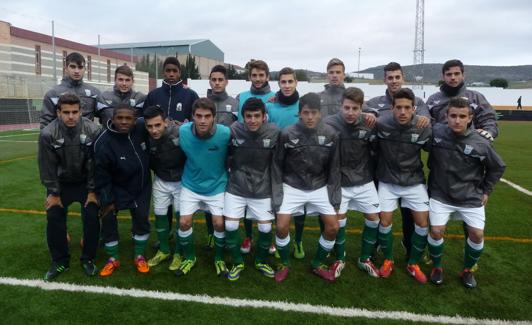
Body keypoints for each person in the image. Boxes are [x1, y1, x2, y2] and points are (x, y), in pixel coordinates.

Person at [427, 97, 505, 288]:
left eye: (462, 116)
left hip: (470, 196)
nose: (457, 120)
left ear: (470, 118)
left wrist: (486, 190)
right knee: (436, 231)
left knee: (477, 234)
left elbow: (497, 167)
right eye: (453, 116)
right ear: (446, 116)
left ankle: (468, 270)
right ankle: (437, 267)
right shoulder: (436, 132)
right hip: (440, 194)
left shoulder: (481, 142)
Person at [365, 62, 431, 259]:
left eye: (397, 77)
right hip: (381, 164)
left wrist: (422, 118)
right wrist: (369, 114)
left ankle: (410, 245)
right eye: (390, 77)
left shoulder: (417, 101)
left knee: (409, 214)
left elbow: (426, 122)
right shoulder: (376, 101)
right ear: (384, 79)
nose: (394, 81)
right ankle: (379, 244)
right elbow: (364, 112)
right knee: (381, 212)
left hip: (409, 167)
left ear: (403, 78)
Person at [274, 92, 341, 283]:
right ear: (299, 113)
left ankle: (318, 263)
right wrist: (277, 194)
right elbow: (277, 165)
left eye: (313, 113)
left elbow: (334, 168)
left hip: (319, 186)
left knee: (333, 227)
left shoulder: (331, 134)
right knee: (281, 226)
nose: (309, 117)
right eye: (305, 113)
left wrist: (335, 198)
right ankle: (284, 263)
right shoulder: (287, 133)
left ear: (320, 113)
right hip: (292, 185)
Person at [38, 93, 101, 280]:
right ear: (58, 112)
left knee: (91, 215)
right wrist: (54, 193)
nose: (71, 116)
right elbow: (46, 166)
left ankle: (88, 259)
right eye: (66, 112)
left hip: (84, 183)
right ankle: (60, 261)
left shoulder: (93, 130)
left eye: (75, 112)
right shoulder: (48, 134)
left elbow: (94, 163)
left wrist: (91, 191)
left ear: (81, 111)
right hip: (61, 184)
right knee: (54, 216)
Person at [143, 56, 200, 250]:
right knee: (162, 198)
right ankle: (165, 233)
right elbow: (146, 119)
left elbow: (196, 121)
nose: (171, 74)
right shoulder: (154, 94)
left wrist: (184, 125)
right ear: (164, 71)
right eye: (168, 70)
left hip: (179, 152)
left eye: (174, 71)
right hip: (158, 154)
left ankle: (180, 232)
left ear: (180, 73)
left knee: (178, 198)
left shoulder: (190, 95)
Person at [375, 88, 432, 283]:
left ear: (414, 109)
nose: (402, 112)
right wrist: (367, 114)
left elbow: (436, 148)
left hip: (414, 181)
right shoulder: (381, 124)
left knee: (423, 223)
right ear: (392, 108)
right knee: (384, 221)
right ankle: (388, 259)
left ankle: (413, 263)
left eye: (407, 108)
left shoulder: (423, 126)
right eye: (398, 107)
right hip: (388, 181)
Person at [324, 87, 381, 279]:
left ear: (361, 108)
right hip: (339, 182)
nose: (350, 112)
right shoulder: (329, 123)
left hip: (364, 180)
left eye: (355, 108)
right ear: (340, 106)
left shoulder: (369, 123)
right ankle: (340, 258)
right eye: (346, 107)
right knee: (339, 221)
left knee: (374, 219)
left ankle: (364, 258)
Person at [224, 97, 281, 281]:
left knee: (265, 228)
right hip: (237, 186)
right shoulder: (234, 130)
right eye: (248, 116)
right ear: (243, 117)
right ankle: (238, 261)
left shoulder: (274, 132)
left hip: (262, 188)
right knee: (230, 225)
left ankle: (260, 261)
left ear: (265, 116)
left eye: (257, 116)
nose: (253, 120)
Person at [176, 98, 231, 277]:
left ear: (214, 117)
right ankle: (190, 258)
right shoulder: (183, 131)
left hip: (216, 186)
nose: (202, 120)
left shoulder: (225, 133)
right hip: (190, 185)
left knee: (219, 223)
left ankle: (219, 258)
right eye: (198, 116)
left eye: (207, 116)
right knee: (184, 222)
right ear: (192, 116)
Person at [94, 104, 151, 277]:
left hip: (141, 186)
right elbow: (101, 176)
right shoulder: (103, 142)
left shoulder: (141, 127)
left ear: (135, 121)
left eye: (129, 118)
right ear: (112, 119)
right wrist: (107, 200)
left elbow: (159, 122)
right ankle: (113, 258)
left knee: (141, 218)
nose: (124, 122)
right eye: (120, 118)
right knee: (108, 218)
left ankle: (139, 255)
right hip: (115, 186)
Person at [265, 67, 306, 260]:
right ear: (278, 84)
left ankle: (298, 241)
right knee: (277, 200)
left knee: (299, 204)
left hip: (299, 160)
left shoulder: (303, 105)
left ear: (296, 82)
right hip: (275, 160)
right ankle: (276, 238)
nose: (287, 85)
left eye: (290, 81)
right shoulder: (270, 106)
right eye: (283, 82)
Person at [236, 60, 275, 254]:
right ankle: (248, 237)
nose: (258, 79)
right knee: (245, 196)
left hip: (269, 151)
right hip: (246, 152)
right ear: (249, 76)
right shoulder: (241, 97)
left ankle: (270, 239)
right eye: (254, 75)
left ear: (267, 76)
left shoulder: (276, 97)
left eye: (261, 75)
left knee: (269, 198)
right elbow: (239, 125)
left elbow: (272, 126)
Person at [142, 106, 187, 272]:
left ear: (166, 122)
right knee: (160, 214)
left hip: (182, 181)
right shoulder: (144, 136)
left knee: (181, 218)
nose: (154, 130)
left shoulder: (181, 132)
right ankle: (164, 250)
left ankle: (179, 253)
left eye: (158, 125)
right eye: (149, 126)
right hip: (161, 180)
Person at [427, 59, 498, 141]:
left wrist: (489, 132)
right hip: (440, 149)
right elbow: (426, 122)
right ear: (443, 77)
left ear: (463, 75)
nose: (453, 77)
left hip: (469, 148)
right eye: (449, 74)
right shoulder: (433, 99)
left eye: (456, 74)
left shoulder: (476, 97)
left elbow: (488, 118)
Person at [40, 52, 100, 129]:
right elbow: (46, 122)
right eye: (73, 67)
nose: (77, 71)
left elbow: (106, 115)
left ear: (85, 69)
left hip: (88, 140)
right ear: (66, 69)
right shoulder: (53, 94)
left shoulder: (94, 93)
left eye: (80, 67)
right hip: (62, 139)